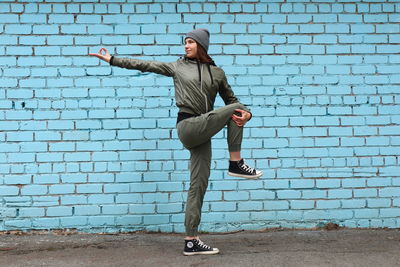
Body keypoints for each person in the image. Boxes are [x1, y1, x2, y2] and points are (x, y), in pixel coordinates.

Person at [89, 28, 263, 256]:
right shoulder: (176, 66)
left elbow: (232, 100)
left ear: (201, 46)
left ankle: (191, 241)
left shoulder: (217, 73)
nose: (186, 46)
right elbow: (145, 65)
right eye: (185, 42)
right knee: (236, 109)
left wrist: (248, 115)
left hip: (204, 130)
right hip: (189, 125)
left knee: (198, 185)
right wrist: (112, 59)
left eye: (191, 42)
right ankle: (235, 162)